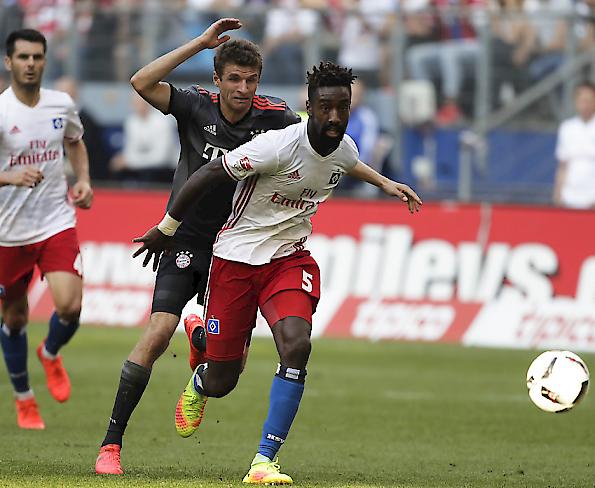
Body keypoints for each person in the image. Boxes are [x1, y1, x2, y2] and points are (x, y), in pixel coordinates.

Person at [132, 61, 422, 485]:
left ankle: (264, 461)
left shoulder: (346, 148)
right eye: (326, 108)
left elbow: (347, 162)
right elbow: (211, 172)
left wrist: (386, 184)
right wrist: (167, 228)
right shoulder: (275, 145)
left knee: (296, 344)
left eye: (343, 108)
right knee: (223, 380)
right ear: (309, 107)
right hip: (235, 260)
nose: (336, 117)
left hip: (288, 259)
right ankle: (200, 371)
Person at [94, 18, 302, 475]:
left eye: (251, 80)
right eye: (234, 78)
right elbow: (140, 81)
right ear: (217, 78)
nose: (243, 88)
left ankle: (202, 356)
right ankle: (111, 445)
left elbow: (314, 144)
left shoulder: (276, 117)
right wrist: (203, 43)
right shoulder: (194, 106)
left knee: (234, 367)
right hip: (183, 236)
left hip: (238, 247)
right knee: (156, 333)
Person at [0, 29, 93, 430]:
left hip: (55, 219)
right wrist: (9, 176)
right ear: (9, 62)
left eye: (37, 57)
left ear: (45, 60)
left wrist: (84, 179)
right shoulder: (1, 112)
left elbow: (75, 141)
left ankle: (51, 352)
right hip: (9, 231)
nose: (31, 64)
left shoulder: (61, 104)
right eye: (23, 57)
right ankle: (24, 399)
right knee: (16, 318)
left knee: (70, 305)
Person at [109, 92, 178, 184]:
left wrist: (130, 161)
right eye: (135, 103)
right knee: (116, 168)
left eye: (142, 102)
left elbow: (161, 158)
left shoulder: (163, 122)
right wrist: (128, 160)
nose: (138, 106)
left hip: (167, 169)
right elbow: (130, 151)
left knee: (149, 173)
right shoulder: (131, 122)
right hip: (141, 166)